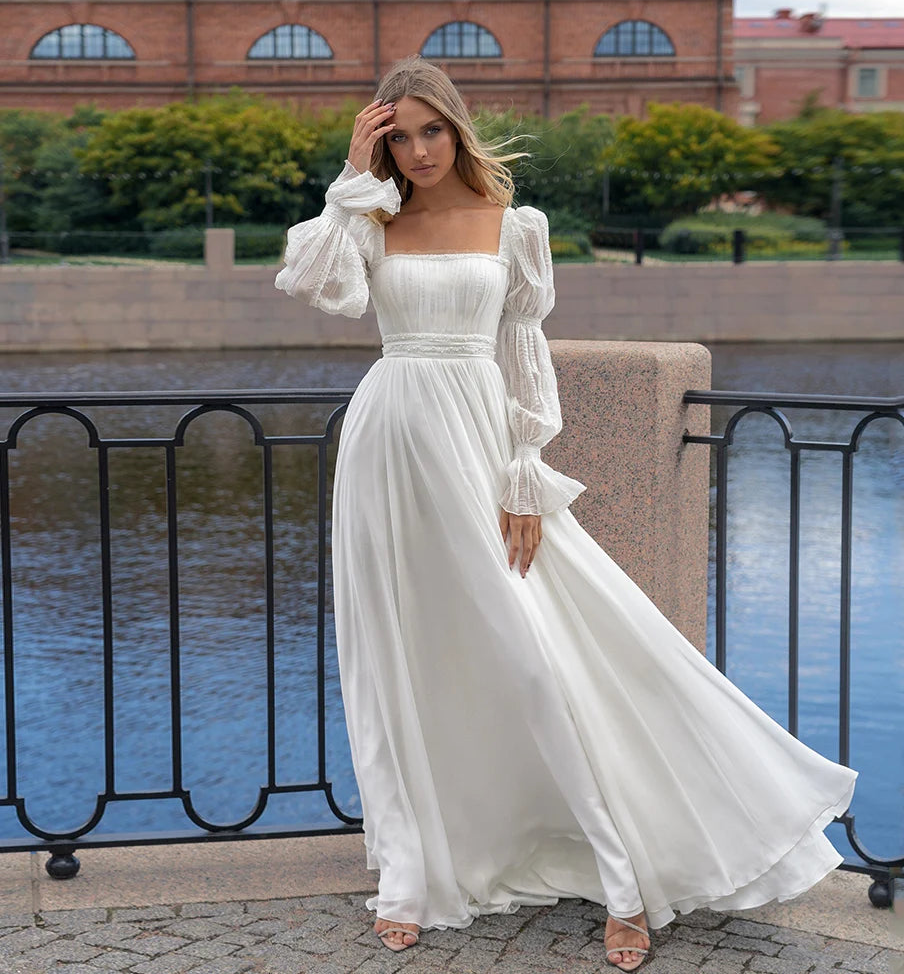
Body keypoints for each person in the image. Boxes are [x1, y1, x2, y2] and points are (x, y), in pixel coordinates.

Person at [275, 55, 857, 972]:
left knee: (538, 655)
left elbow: (523, 352)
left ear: (458, 130)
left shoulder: (517, 225)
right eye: (401, 134)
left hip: (476, 441)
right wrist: (351, 176)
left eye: (433, 131)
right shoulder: (372, 219)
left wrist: (523, 472)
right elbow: (315, 284)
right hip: (388, 442)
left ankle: (626, 881)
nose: (420, 151)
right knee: (399, 658)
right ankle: (413, 874)